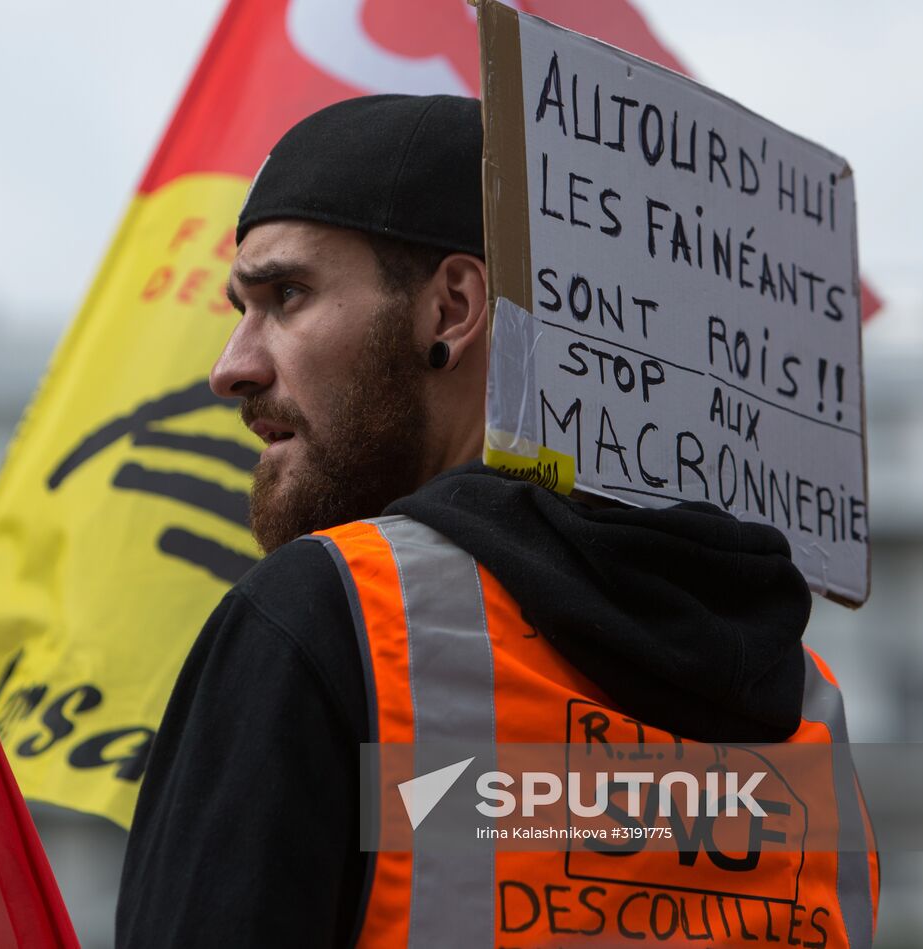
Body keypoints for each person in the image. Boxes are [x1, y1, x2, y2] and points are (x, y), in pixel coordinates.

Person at [115, 94, 877, 948]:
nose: (231, 368)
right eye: (239, 311)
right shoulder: (805, 700)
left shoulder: (332, 618)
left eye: (286, 295)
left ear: (451, 307)